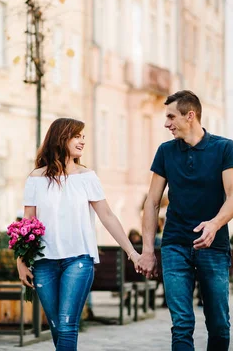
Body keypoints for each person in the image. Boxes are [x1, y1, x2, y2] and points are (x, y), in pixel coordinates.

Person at [17, 117, 142, 350]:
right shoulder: (35, 178)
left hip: (78, 260)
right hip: (44, 262)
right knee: (55, 324)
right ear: (61, 137)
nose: (82, 141)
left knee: (66, 325)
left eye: (83, 136)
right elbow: (28, 223)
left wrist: (132, 252)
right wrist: (21, 261)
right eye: (77, 136)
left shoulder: (87, 177)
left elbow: (107, 216)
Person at [137, 90, 233, 351]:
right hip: (174, 246)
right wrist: (148, 251)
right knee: (181, 324)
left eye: (171, 117)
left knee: (218, 324)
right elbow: (151, 202)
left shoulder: (224, 148)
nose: (166, 124)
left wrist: (215, 224)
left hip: (213, 248)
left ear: (190, 115)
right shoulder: (165, 152)